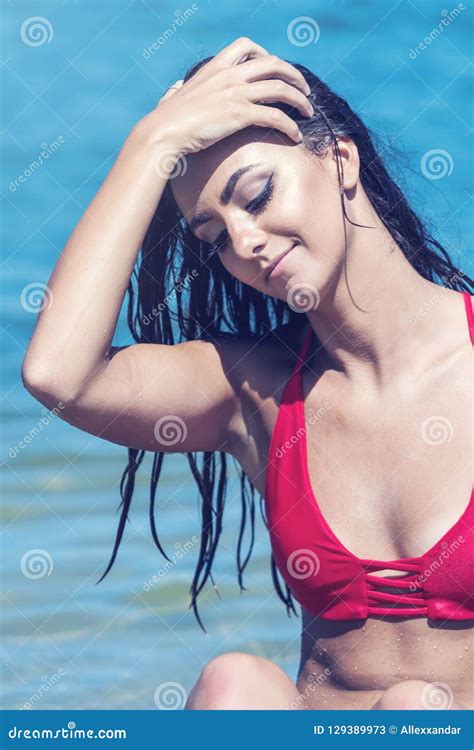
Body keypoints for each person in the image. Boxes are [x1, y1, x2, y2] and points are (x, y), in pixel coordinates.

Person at [21, 37, 473, 710]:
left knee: (414, 707)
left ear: (339, 159)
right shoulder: (253, 391)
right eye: (214, 237)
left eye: (257, 195)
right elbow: (60, 375)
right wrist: (150, 145)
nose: (245, 243)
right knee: (235, 682)